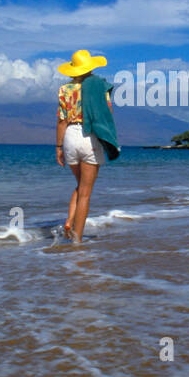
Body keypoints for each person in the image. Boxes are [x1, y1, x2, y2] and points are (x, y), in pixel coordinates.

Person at [55, 49, 120, 243]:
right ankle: (77, 240)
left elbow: (61, 121)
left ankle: (69, 220)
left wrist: (58, 148)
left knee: (80, 185)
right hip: (89, 137)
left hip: (70, 137)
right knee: (85, 193)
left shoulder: (65, 90)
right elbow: (107, 112)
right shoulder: (99, 87)